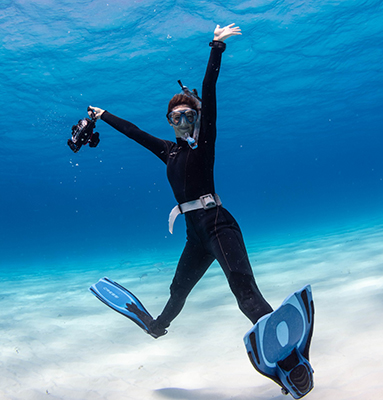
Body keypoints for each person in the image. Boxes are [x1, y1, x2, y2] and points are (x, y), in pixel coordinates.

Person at [88, 23, 273, 338]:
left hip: (218, 225)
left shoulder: (204, 145)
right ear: (170, 122)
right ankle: (158, 327)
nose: (183, 121)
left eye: (189, 115)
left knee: (242, 289)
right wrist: (103, 115)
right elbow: (135, 132)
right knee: (177, 291)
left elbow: (209, 90)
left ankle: (284, 352)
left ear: (198, 118)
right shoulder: (168, 151)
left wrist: (216, 46)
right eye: (177, 117)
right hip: (195, 236)